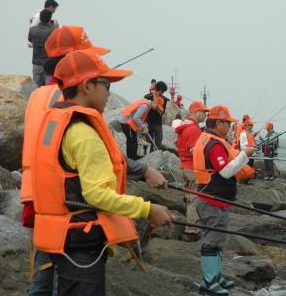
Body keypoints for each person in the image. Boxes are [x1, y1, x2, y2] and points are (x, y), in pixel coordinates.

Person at [31, 49, 173, 295]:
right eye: (106, 84)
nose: (109, 92)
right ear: (87, 86)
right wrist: (148, 209)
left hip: (59, 236)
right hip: (80, 243)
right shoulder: (83, 133)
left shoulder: (57, 121)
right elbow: (96, 194)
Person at [21, 25, 112, 296]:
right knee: (66, 275)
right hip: (66, 204)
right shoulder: (72, 103)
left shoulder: (37, 95)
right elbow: (82, 158)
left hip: (35, 197)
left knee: (42, 275)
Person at [193, 105, 255, 295]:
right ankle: (209, 282)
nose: (229, 126)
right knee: (212, 240)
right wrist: (245, 155)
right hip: (211, 200)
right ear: (218, 122)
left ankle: (215, 277)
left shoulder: (210, 139)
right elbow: (226, 171)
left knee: (218, 239)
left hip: (216, 199)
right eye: (227, 123)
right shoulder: (214, 144)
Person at [174, 101, 209, 241]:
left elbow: (179, 145)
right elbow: (194, 150)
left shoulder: (184, 127)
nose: (205, 115)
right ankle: (192, 230)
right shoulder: (194, 129)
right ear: (195, 112)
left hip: (184, 166)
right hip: (192, 168)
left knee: (190, 198)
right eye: (203, 112)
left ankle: (191, 227)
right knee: (195, 199)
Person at [28, 9, 56, 86]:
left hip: (36, 63)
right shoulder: (52, 31)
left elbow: (30, 40)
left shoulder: (32, 30)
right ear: (50, 19)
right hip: (48, 64)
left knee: (36, 88)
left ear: (40, 18)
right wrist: (55, 28)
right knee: (48, 89)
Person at [144, 81, 169, 152]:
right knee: (149, 143)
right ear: (157, 89)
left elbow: (161, 112)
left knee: (158, 143)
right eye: (161, 92)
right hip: (148, 123)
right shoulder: (147, 96)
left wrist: (155, 100)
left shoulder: (164, 99)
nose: (162, 93)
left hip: (158, 123)